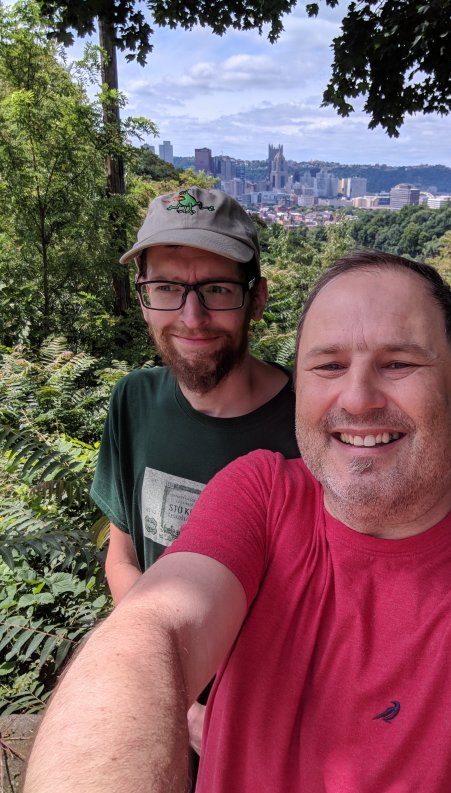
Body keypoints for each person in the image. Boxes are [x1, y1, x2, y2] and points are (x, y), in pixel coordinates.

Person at [23, 251, 451, 793]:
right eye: (328, 365)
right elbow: (153, 633)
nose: (359, 397)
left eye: (398, 363)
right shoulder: (261, 495)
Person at [90, 185, 299, 742]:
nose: (192, 316)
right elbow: (124, 559)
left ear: (256, 299)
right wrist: (174, 693)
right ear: (142, 297)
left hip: (276, 733)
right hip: (165, 708)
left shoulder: (315, 427)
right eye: (166, 288)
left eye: (216, 289)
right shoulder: (133, 402)